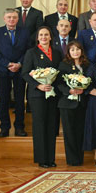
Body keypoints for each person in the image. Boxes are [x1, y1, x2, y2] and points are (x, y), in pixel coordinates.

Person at [22, 27, 63, 168]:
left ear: (51, 37)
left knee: (52, 125)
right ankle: (41, 159)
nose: (44, 37)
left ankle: (50, 158)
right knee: (40, 125)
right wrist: (38, 85)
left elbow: (60, 73)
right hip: (37, 95)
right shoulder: (31, 52)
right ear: (37, 38)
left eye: (46, 35)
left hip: (52, 93)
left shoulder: (57, 53)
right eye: (41, 35)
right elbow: (25, 73)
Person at [0, 8, 29, 137]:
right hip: (3, 71)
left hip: (20, 70)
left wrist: (19, 64)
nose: (12, 19)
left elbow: (28, 50)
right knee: (3, 100)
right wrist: (7, 64)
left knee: (19, 100)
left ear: (18, 19)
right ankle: (4, 128)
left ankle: (19, 127)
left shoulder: (25, 32)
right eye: (9, 17)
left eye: (14, 17)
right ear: (4, 18)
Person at [56, 40, 90, 166]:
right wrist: (69, 91)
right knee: (69, 132)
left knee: (80, 131)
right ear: (68, 52)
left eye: (77, 49)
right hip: (67, 104)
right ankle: (72, 159)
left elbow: (90, 81)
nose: (75, 52)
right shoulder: (63, 65)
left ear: (81, 51)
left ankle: (80, 158)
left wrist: (83, 89)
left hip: (82, 103)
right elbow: (59, 83)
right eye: (72, 50)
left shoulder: (86, 65)